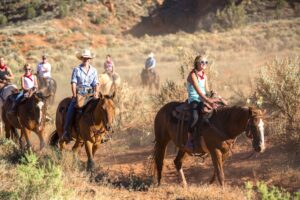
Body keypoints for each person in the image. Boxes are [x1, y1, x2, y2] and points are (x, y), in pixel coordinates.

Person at [62, 49, 99, 142]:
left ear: (90, 59)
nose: (86, 59)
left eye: (88, 58)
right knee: (72, 108)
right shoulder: (77, 69)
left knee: (101, 107)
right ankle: (67, 131)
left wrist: (96, 93)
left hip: (91, 93)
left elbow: (96, 84)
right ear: (81, 58)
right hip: (80, 92)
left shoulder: (94, 70)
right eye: (84, 58)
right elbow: (74, 83)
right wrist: (74, 95)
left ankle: (102, 131)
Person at [184, 55, 218, 154]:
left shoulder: (204, 75)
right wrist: (208, 100)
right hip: (194, 99)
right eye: (202, 62)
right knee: (194, 117)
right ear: (197, 63)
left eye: (206, 62)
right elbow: (198, 91)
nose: (204, 64)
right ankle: (189, 141)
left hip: (203, 99)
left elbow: (206, 90)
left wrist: (212, 94)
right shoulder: (192, 75)